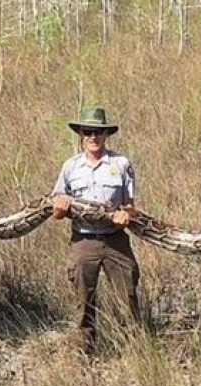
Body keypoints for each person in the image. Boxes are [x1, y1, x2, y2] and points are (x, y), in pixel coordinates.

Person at [51, 107, 141, 357]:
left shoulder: (121, 164)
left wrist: (127, 215)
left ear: (106, 135)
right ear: (81, 134)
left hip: (115, 240)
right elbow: (57, 209)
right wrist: (60, 207)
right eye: (88, 131)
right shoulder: (70, 166)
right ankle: (86, 352)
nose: (93, 136)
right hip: (84, 240)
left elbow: (131, 207)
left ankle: (135, 351)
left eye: (98, 132)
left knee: (128, 297)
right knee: (84, 300)